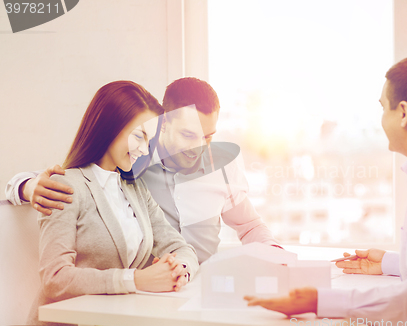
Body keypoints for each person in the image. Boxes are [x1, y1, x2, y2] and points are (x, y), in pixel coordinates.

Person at [244, 55, 407, 326]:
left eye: (383, 108)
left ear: (403, 113)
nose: (381, 120)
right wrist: (390, 262)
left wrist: (320, 301)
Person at [5, 77, 280, 263]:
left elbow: (249, 225)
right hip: (149, 294)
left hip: (205, 290)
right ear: (164, 122)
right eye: (189, 134)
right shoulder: (131, 158)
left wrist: (276, 258)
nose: (200, 147)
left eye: (208, 136)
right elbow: (75, 175)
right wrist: (28, 187)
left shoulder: (223, 168)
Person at [26, 81, 199, 326]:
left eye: (148, 139)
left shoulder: (136, 190)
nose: (143, 149)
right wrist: (136, 280)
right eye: (138, 135)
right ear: (109, 127)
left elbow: (182, 248)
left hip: (116, 324)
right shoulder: (65, 185)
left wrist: (177, 271)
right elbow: (55, 278)